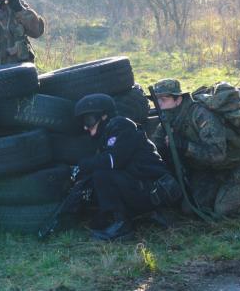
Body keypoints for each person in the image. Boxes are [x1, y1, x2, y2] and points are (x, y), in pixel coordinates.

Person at [150, 79, 240, 217]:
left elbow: (218, 155)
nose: (159, 104)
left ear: (178, 99)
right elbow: (155, 146)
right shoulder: (168, 118)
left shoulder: (201, 115)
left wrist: (185, 146)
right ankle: (228, 192)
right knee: (190, 209)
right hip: (210, 170)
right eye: (156, 100)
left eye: (163, 99)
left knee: (223, 211)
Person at [73, 94, 181, 241]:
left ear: (104, 116)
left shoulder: (121, 126)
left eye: (89, 120)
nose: (86, 126)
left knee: (102, 174)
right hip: (145, 186)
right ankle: (122, 218)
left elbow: (113, 160)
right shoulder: (108, 132)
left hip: (158, 189)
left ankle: (122, 227)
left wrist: (83, 165)